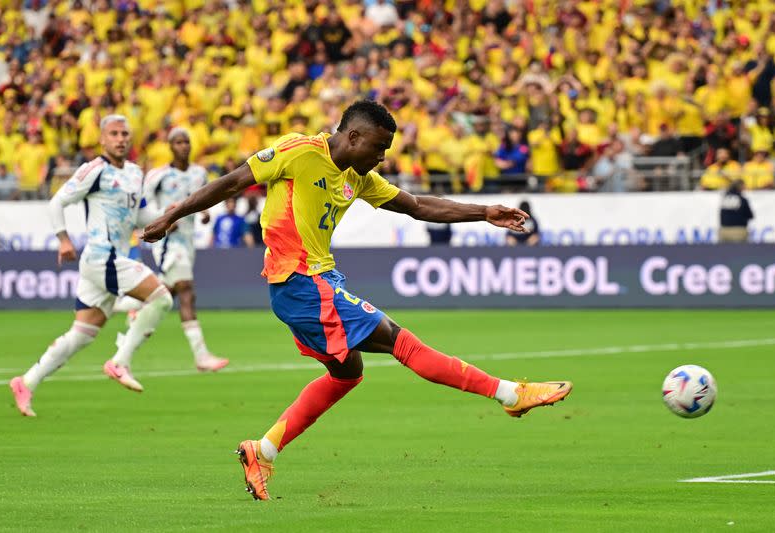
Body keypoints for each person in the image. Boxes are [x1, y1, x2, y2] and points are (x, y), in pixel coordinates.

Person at [142, 100, 572, 501]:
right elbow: (234, 181)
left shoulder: (358, 177)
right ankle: (509, 394)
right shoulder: (298, 151)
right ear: (352, 137)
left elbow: (418, 205)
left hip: (318, 281)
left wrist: (483, 213)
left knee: (348, 374)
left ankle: (263, 450)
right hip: (300, 280)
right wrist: (170, 216)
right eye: (379, 147)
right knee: (400, 342)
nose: (382, 157)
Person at [9, 115, 174, 417]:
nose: (121, 138)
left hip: (109, 261)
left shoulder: (136, 173)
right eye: (114, 133)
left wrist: (166, 218)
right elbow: (56, 202)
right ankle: (120, 361)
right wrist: (63, 240)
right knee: (161, 298)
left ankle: (26, 381)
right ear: (102, 139)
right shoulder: (94, 170)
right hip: (102, 256)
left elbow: (140, 217)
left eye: (125, 133)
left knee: (82, 334)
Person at [119, 127, 229, 372]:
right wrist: (164, 219)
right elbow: (142, 204)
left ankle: (135, 307)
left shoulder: (199, 173)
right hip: (168, 241)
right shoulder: (159, 176)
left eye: (186, 141)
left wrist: (204, 214)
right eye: (178, 142)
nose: (183, 146)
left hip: (188, 240)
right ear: (170, 146)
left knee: (165, 296)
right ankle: (201, 356)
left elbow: (203, 199)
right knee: (187, 291)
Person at [719, 179, 753, 243]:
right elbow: (750, 215)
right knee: (740, 252)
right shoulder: (742, 199)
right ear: (740, 187)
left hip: (723, 230)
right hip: (738, 231)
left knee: (724, 252)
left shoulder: (724, 198)